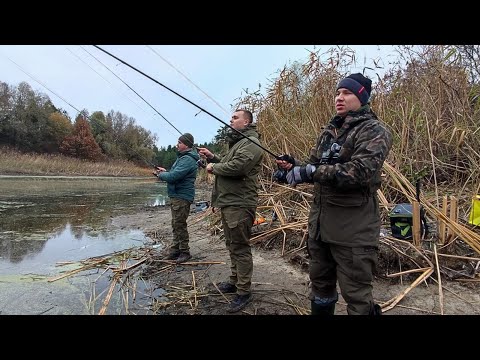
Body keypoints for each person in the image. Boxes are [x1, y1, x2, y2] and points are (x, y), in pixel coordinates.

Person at [275, 73, 393, 315]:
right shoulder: (329, 131)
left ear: (362, 97)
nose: (339, 98)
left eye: (347, 93)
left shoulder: (374, 130)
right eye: (338, 93)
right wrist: (293, 165)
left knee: (357, 295)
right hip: (320, 227)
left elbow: (358, 172)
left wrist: (308, 172)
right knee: (320, 286)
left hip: (353, 230)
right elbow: (316, 165)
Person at [197, 109, 264, 313]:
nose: (231, 120)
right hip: (230, 203)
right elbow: (228, 163)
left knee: (240, 247)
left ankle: (243, 291)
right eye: (231, 117)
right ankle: (235, 281)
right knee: (232, 244)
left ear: (247, 122)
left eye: (235, 118)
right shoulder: (239, 143)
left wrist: (213, 168)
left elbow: (238, 167)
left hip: (240, 204)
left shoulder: (252, 143)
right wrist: (213, 157)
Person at [154, 133, 199, 263]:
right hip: (177, 195)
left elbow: (173, 177)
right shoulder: (184, 158)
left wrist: (161, 175)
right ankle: (175, 250)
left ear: (186, 144)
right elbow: (174, 173)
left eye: (179, 142)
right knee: (176, 223)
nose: (177, 145)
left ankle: (185, 252)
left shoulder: (187, 159)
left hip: (182, 196)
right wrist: (165, 171)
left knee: (179, 224)